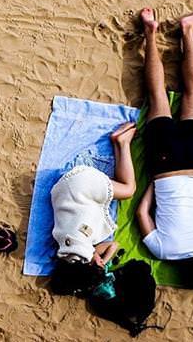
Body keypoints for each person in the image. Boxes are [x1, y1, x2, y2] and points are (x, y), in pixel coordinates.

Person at [135, 7, 193, 289]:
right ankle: (150, 31)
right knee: (158, 97)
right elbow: (142, 213)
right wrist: (153, 183)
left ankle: (187, 29)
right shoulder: (161, 251)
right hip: (163, 168)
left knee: (192, 92)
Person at [50, 122, 137, 296]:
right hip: (62, 190)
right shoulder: (68, 254)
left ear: (90, 264)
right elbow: (111, 246)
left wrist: (102, 260)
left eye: (98, 263)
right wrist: (100, 261)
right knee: (116, 188)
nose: (100, 261)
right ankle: (120, 143)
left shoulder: (85, 252)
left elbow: (113, 244)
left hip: (79, 187)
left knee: (128, 189)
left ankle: (122, 143)